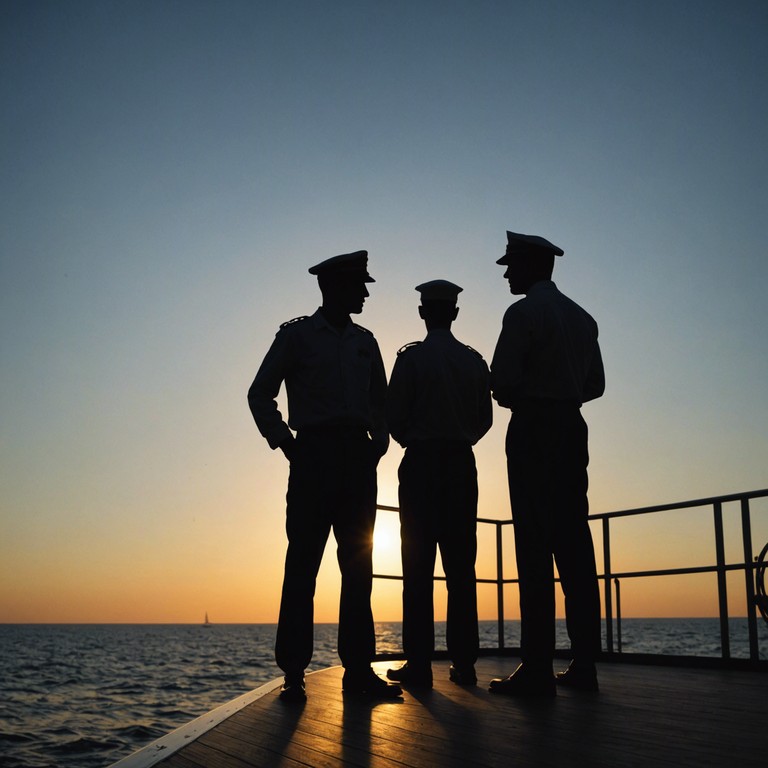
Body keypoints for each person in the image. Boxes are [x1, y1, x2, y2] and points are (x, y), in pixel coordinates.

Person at [247, 250, 402, 701]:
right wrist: (286, 443)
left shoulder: (366, 341)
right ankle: (293, 674)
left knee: (359, 569)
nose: (367, 292)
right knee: (303, 566)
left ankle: (358, 672)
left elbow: (381, 399)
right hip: (312, 454)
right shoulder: (297, 337)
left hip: (356, 458)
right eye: (360, 285)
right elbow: (260, 393)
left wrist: (379, 440)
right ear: (334, 287)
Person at [488, 231, 605, 697]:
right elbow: (595, 385)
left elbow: (502, 380)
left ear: (530, 266)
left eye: (510, 265)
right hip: (572, 426)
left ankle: (537, 666)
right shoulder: (582, 317)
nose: (506, 273)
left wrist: (516, 392)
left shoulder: (522, 314)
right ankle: (584, 662)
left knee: (533, 547)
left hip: (533, 427)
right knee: (575, 545)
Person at [385, 280, 493, 688]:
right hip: (461, 462)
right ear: (456, 313)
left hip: (421, 461)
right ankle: (464, 664)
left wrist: (414, 438)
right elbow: (484, 419)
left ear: (422, 313)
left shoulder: (411, 360)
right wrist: (460, 437)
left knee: (417, 567)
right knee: (461, 567)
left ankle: (419, 664)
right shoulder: (473, 362)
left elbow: (393, 415)